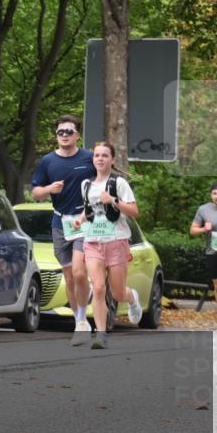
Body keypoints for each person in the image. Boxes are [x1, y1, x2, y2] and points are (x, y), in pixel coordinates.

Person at [31, 115, 96, 345]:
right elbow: (35, 193)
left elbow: (103, 182)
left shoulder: (89, 158)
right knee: (69, 276)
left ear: (77, 134)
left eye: (69, 131)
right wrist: (49, 188)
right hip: (60, 224)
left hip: (85, 221)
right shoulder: (48, 161)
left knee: (79, 272)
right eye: (61, 132)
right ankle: (79, 320)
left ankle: (82, 314)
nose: (65, 135)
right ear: (56, 135)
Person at [72, 142, 141, 349]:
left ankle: (132, 298)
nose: (100, 159)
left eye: (104, 155)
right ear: (93, 160)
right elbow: (90, 209)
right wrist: (80, 219)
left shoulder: (118, 183)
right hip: (93, 242)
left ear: (112, 159)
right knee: (99, 288)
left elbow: (134, 212)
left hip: (116, 241)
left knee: (118, 293)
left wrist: (112, 200)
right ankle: (100, 334)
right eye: (97, 156)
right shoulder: (86, 185)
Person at [190, 181, 217, 332]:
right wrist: (203, 229)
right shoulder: (204, 209)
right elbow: (192, 230)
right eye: (214, 193)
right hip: (212, 252)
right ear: (211, 195)